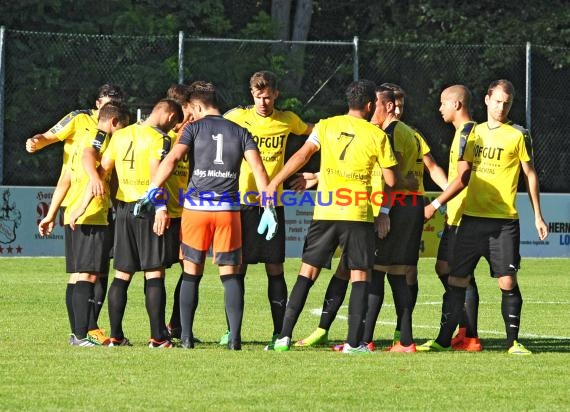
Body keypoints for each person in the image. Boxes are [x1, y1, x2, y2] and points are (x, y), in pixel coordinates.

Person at [265, 79, 398, 353]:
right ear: (370, 105)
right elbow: (391, 179)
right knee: (360, 276)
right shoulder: (377, 135)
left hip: (325, 210)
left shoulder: (326, 125)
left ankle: (283, 337)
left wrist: (273, 182)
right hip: (358, 212)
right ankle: (352, 344)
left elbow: (302, 155)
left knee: (307, 273)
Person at [138, 81, 272, 350]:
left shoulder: (193, 129)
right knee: (231, 276)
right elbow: (258, 170)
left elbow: (173, 159)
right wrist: (268, 206)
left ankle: (186, 338)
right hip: (228, 211)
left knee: (191, 274)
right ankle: (235, 340)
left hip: (196, 210)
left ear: (197, 106)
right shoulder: (240, 130)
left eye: (192, 110)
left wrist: (151, 190)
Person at [419, 79, 548, 355]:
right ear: (487, 100)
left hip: (503, 222)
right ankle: (443, 340)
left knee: (507, 282)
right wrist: (441, 202)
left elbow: (530, 174)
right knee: (457, 279)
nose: (502, 107)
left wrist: (538, 215)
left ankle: (512, 342)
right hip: (470, 219)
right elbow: (462, 175)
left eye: (507, 102)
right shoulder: (472, 133)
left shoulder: (518, 134)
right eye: (498, 101)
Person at [222, 70, 313, 348]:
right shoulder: (236, 117)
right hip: (241, 202)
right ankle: (232, 330)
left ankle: (279, 331)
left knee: (275, 268)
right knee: (238, 268)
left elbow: (317, 135)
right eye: (259, 96)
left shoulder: (288, 120)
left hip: (273, 204)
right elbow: (210, 127)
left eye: (268, 96)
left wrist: (310, 174)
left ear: (276, 95)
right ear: (252, 94)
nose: (263, 102)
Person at [29, 84, 125, 345]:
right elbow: (81, 159)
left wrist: (51, 214)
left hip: (82, 209)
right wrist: (38, 141)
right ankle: (82, 334)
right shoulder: (95, 133)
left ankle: (81, 332)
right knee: (87, 274)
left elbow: (69, 175)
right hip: (89, 209)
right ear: (99, 105)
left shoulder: (103, 137)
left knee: (83, 273)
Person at [91, 98, 183, 348]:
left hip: (123, 208)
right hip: (149, 207)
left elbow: (104, 170)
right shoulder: (161, 139)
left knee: (122, 273)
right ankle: (157, 337)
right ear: (171, 117)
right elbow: (157, 173)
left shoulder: (121, 134)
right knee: (154, 271)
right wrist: (162, 207)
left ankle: (116, 336)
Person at [422, 85, 482, 351]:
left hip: (464, 216)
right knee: (444, 268)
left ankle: (468, 335)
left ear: (457, 105)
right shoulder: (464, 131)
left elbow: (463, 177)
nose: (440, 109)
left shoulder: (466, 133)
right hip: (456, 214)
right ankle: (465, 330)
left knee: (460, 275)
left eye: (443, 103)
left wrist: (435, 203)